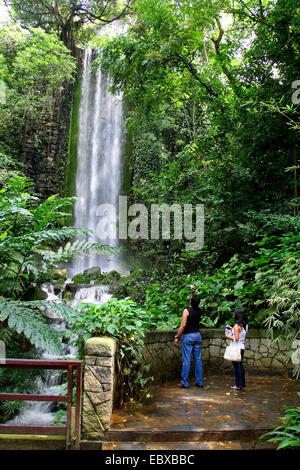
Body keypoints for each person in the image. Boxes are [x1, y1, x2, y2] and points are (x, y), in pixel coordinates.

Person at [174, 286, 203, 388]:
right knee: (198, 359)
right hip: (197, 335)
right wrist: (193, 292)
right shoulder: (199, 311)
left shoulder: (186, 311)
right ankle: (199, 381)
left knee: (186, 359)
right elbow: (194, 303)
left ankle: (185, 382)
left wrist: (177, 336)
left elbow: (183, 325)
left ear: (191, 301)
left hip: (188, 336)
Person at [225, 308, 248, 390]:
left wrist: (227, 336)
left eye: (234, 314)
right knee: (240, 365)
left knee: (237, 366)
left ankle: (238, 385)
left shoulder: (236, 326)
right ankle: (242, 383)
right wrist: (232, 330)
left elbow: (236, 338)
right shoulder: (245, 325)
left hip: (236, 347)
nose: (233, 315)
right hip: (242, 347)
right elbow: (240, 334)